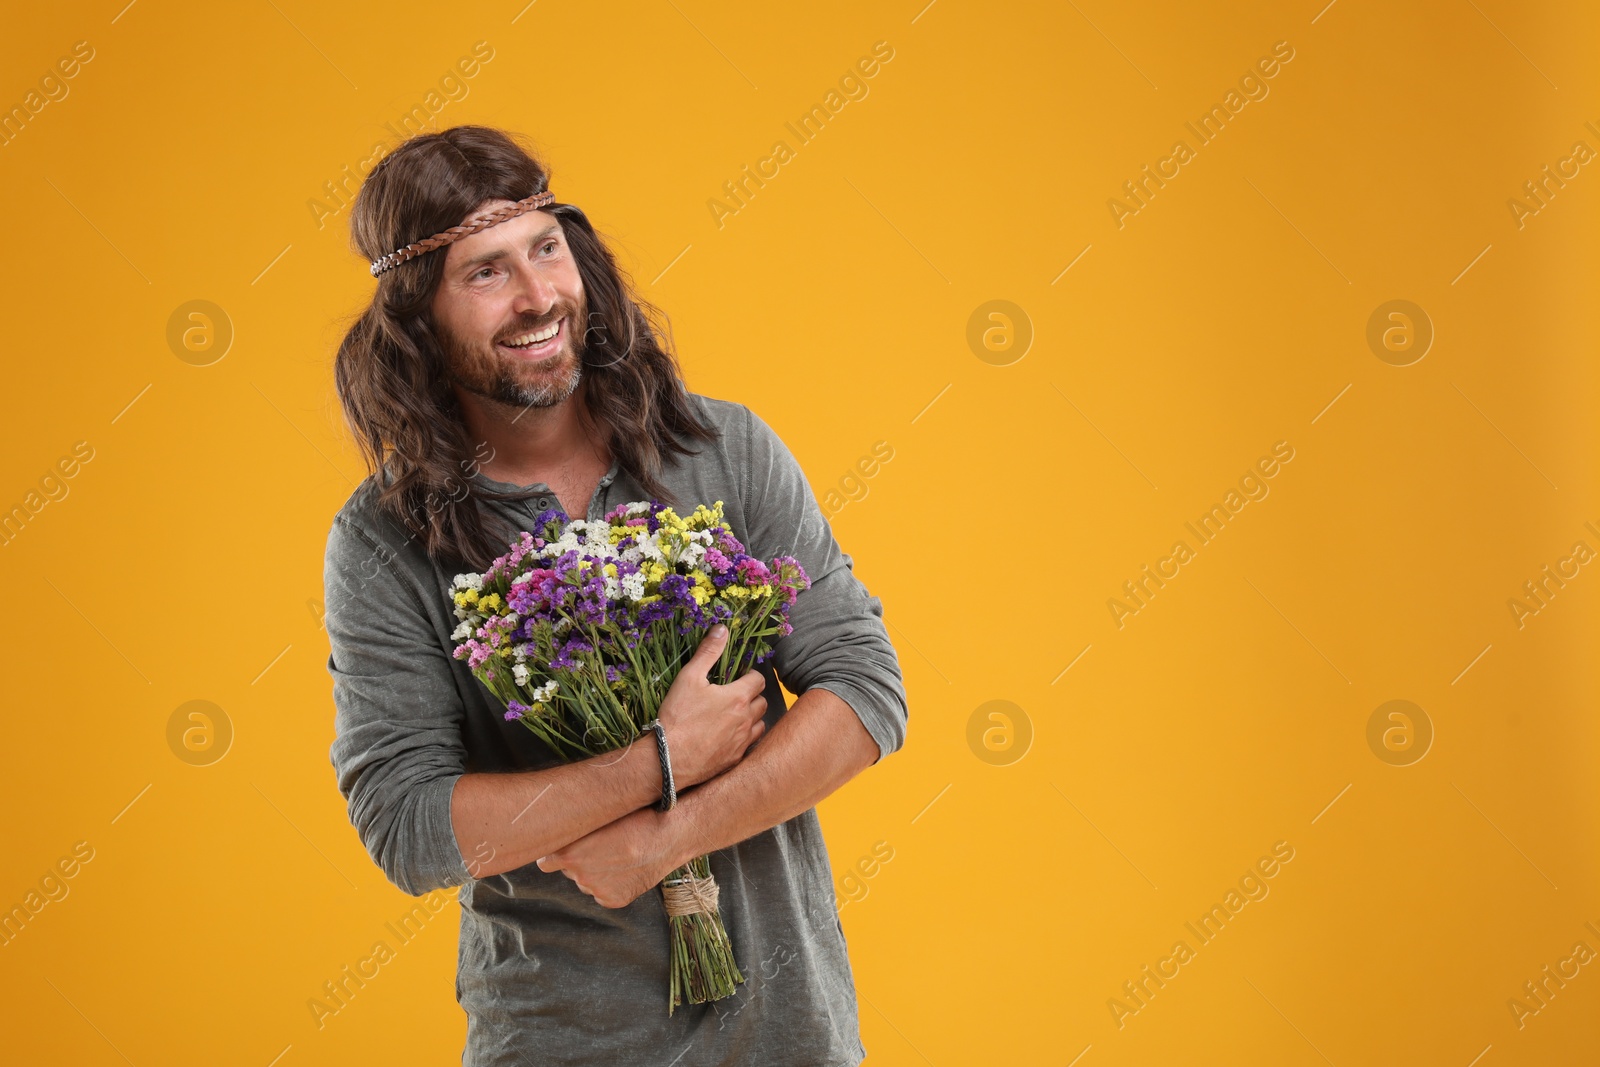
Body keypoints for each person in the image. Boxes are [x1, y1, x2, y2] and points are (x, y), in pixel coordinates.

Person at [321, 124, 908, 1066]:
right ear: (417, 318)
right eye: (484, 273)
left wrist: (670, 832)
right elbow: (410, 824)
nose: (537, 297)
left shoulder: (722, 449)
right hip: (559, 1043)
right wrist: (660, 758)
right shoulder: (384, 542)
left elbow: (867, 694)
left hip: (791, 1037)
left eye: (547, 250)